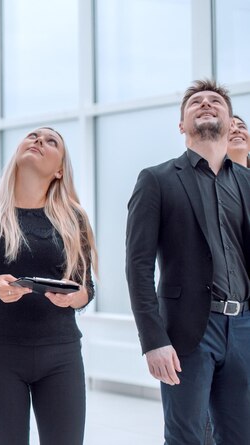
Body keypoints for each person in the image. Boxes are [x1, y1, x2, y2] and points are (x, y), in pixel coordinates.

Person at [0, 127, 97, 445]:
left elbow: (86, 288)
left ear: (59, 170)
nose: (39, 141)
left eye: (51, 141)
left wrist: (73, 298)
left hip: (61, 353)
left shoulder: (73, 217)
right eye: (33, 136)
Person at [126, 79, 250, 445]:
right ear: (182, 124)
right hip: (187, 332)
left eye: (216, 101)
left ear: (230, 123)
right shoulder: (157, 180)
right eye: (196, 102)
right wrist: (153, 340)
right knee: (186, 438)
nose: (207, 104)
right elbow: (138, 266)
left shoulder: (246, 182)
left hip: (243, 327)